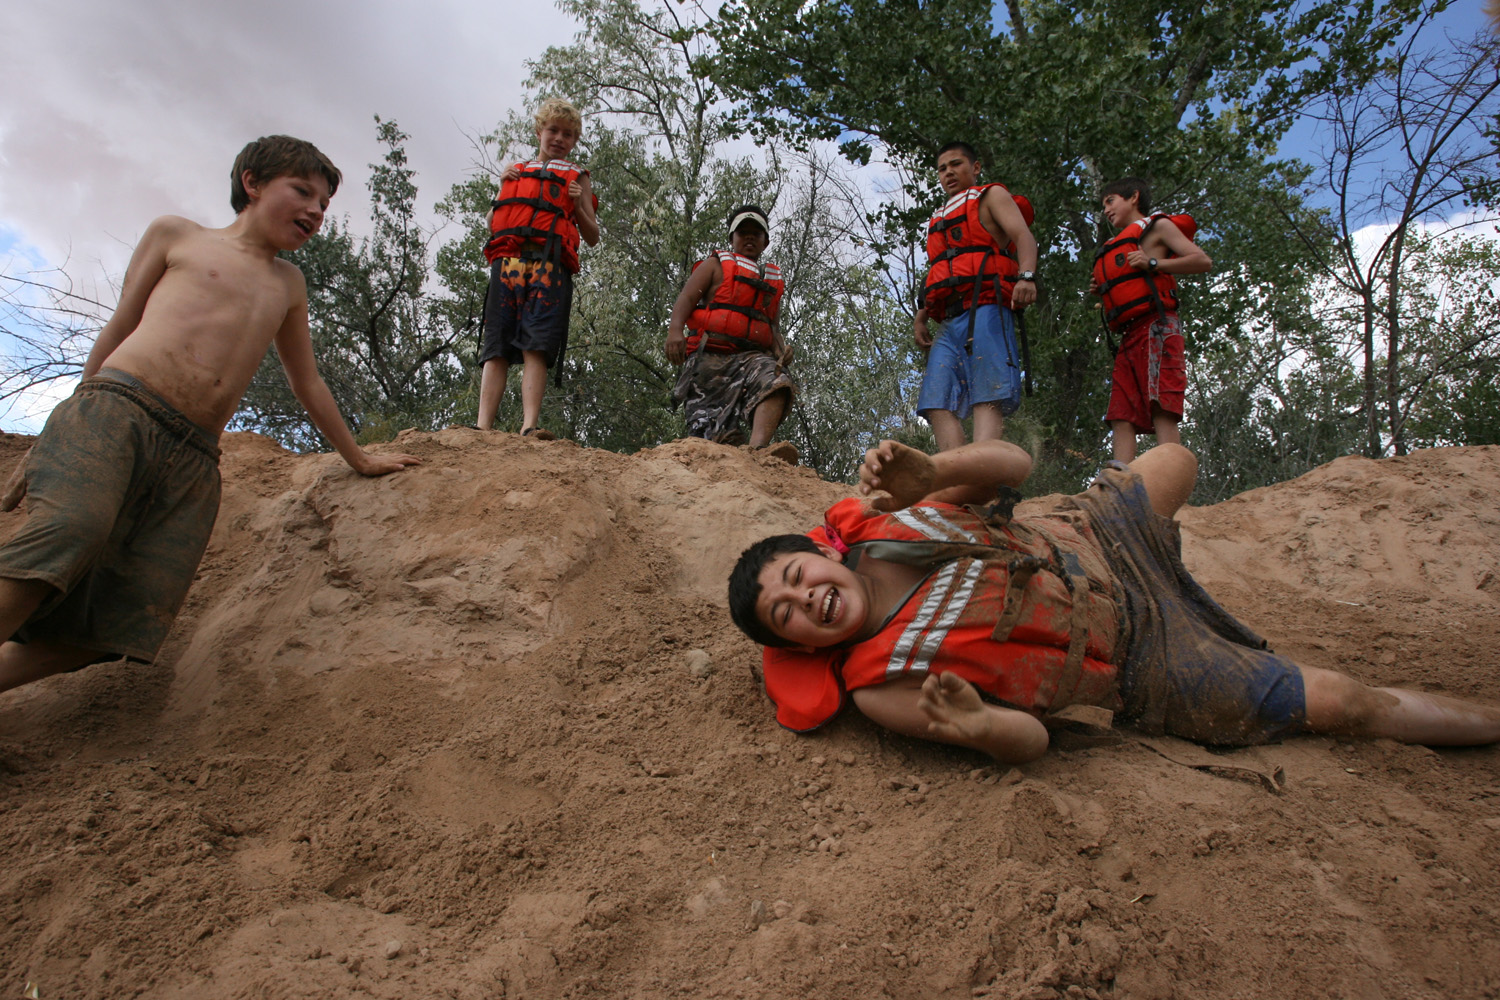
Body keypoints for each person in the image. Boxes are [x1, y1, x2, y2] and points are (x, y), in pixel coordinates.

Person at [727, 440, 1500, 763]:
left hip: (1095, 538)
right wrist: (980, 725)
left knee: (1176, 459)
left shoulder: (891, 517)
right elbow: (1028, 743)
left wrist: (935, 473)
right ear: (799, 648)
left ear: (818, 556)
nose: (806, 601)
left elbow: (1014, 464)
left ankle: (1181, 571)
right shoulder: (883, 687)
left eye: (797, 579)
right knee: (1346, 702)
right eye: (785, 615)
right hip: (1147, 662)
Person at [0, 135, 422, 695]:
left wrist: (359, 457)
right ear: (252, 182)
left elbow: (307, 381)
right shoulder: (177, 236)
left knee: (119, 620)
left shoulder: (287, 284)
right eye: (303, 192)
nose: (316, 212)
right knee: (68, 534)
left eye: (325, 204)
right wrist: (63, 424)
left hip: (194, 457)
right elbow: (121, 325)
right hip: (117, 409)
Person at [477, 98, 601, 438]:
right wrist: (502, 187)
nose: (559, 139)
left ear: (575, 140)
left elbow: (592, 236)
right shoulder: (515, 172)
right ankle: (481, 426)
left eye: (567, 134)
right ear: (539, 132)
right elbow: (492, 223)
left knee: (537, 345)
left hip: (549, 265)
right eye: (553, 131)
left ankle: (529, 425)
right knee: (497, 345)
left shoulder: (577, 179)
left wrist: (576, 204)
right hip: (510, 261)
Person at [913, 142, 1038, 451]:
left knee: (989, 394)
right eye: (942, 169)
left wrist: (1027, 277)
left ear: (976, 167)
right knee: (934, 401)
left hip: (988, 308)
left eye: (956, 164)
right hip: (952, 319)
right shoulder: (940, 216)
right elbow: (940, 268)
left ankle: (980, 470)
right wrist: (922, 313)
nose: (948, 172)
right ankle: (958, 473)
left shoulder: (990, 196)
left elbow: (1024, 236)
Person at [1090, 177, 1211, 463]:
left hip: (1158, 326)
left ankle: (1169, 479)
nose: (1106, 210)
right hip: (1129, 335)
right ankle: (1121, 482)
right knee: (1120, 413)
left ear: (1133, 197)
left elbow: (1202, 261)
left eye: (1110, 201)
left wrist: (1154, 263)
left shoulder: (1158, 227)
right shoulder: (1113, 245)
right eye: (1103, 205)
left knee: (1162, 405)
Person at [665, 205, 796, 453]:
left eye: (755, 234)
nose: (749, 238)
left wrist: (782, 351)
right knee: (711, 439)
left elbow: (772, 326)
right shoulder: (715, 265)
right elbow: (686, 298)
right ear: (732, 238)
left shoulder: (771, 280)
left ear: (765, 241)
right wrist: (674, 332)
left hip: (752, 358)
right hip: (710, 357)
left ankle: (759, 451)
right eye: (742, 232)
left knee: (777, 380)